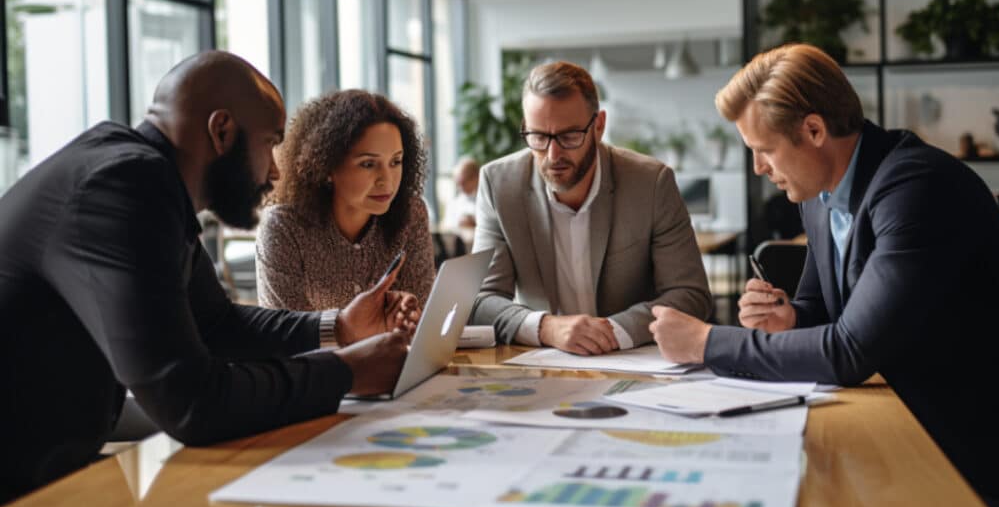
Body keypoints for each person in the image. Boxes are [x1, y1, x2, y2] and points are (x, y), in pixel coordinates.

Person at [0, 52, 417, 504]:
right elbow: (192, 403)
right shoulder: (125, 185)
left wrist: (339, 328)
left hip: (46, 477)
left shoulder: (139, 176)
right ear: (222, 132)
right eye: (270, 144)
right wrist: (345, 371)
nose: (276, 171)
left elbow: (215, 323)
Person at [649, 43, 999, 507]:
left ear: (813, 130)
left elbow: (849, 352)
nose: (758, 168)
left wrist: (705, 342)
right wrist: (786, 319)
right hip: (900, 417)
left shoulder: (916, 189)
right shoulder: (819, 195)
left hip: (976, 447)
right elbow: (820, 311)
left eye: (764, 150)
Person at [471, 61, 711, 355]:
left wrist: (611, 332)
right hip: (544, 363)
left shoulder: (650, 183)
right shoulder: (499, 184)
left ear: (598, 127)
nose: (552, 154)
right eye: (538, 137)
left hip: (632, 359)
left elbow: (690, 295)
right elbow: (482, 301)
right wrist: (548, 327)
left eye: (569, 136)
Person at [256, 89, 435, 311]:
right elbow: (286, 332)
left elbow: (420, 314)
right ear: (327, 166)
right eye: (368, 164)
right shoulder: (284, 227)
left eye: (395, 162)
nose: (387, 182)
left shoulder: (411, 214)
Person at [441, 156, 480, 247]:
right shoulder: (453, 203)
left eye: (463, 182)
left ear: (476, 178)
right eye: (458, 183)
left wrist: (474, 223)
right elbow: (446, 229)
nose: (460, 187)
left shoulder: (486, 199)